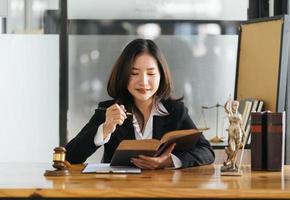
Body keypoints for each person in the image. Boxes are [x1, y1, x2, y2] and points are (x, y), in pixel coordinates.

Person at [65, 39, 215, 169]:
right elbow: (69, 156)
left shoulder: (175, 111)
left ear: (161, 76)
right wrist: (105, 128)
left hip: (162, 191)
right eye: (134, 73)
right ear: (123, 75)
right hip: (118, 191)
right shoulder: (109, 110)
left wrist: (168, 161)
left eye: (150, 73)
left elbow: (206, 151)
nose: (143, 81)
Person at [221, 98, 245, 172]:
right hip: (231, 133)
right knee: (232, 149)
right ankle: (229, 161)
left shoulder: (240, 115)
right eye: (234, 105)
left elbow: (241, 125)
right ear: (232, 106)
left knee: (237, 150)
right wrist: (228, 101)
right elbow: (225, 107)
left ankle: (233, 165)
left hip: (238, 133)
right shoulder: (229, 113)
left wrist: (244, 133)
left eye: (237, 105)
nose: (236, 106)